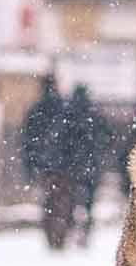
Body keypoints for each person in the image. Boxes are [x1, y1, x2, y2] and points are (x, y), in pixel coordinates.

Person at [21, 76, 74, 250]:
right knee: (64, 200)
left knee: (49, 200)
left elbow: (27, 142)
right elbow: (74, 139)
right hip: (64, 165)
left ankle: (51, 233)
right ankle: (61, 233)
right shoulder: (64, 109)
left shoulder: (36, 111)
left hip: (44, 166)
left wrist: (30, 167)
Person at [63, 84, 107, 245]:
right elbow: (107, 137)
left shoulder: (68, 116)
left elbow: (61, 141)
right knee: (89, 202)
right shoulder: (94, 115)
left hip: (72, 166)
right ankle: (85, 231)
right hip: (91, 165)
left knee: (71, 201)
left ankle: (72, 228)